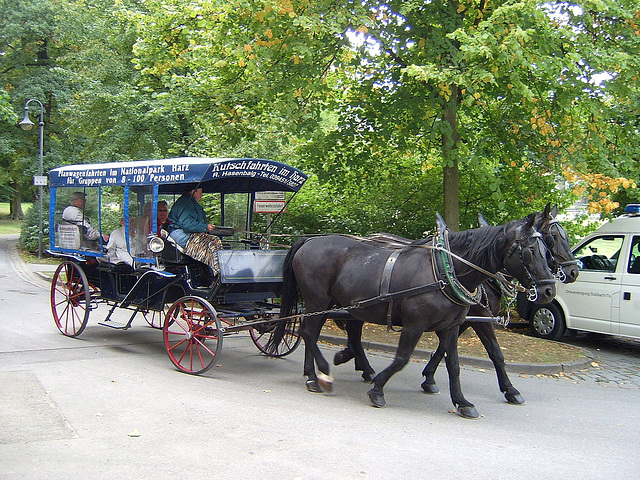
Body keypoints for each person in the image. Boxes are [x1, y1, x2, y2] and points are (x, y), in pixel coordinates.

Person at [167, 186, 222, 274]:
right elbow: (187, 224)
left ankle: (213, 272)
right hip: (180, 233)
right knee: (213, 241)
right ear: (193, 191)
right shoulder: (185, 202)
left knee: (214, 243)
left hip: (188, 233)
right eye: (200, 192)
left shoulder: (191, 203)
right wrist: (205, 227)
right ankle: (216, 273)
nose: (202, 194)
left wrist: (206, 228)